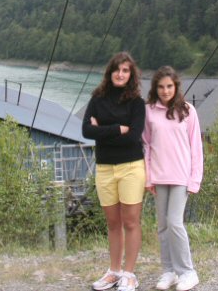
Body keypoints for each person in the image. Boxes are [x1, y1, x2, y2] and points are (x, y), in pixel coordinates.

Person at [82, 52, 145, 291]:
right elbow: (86, 131)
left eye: (125, 70)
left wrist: (103, 131)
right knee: (112, 222)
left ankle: (129, 274)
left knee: (130, 221)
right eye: (117, 70)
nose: (120, 74)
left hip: (131, 168)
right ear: (110, 73)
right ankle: (114, 271)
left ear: (131, 75)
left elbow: (134, 137)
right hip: (105, 168)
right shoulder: (97, 99)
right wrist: (118, 129)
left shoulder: (137, 103)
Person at [142, 66, 203, 291]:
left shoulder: (188, 111)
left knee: (175, 223)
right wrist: (148, 178)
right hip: (159, 177)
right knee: (163, 226)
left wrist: (195, 179)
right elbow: (146, 146)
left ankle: (188, 272)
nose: (165, 91)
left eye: (169, 86)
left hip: (181, 177)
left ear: (176, 86)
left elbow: (196, 147)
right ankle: (169, 272)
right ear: (155, 88)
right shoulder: (149, 111)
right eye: (161, 87)